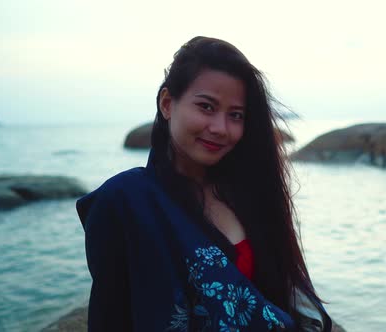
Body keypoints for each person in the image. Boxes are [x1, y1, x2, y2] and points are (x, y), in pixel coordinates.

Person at [76, 36, 331, 331]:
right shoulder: (125, 201)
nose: (220, 128)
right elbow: (109, 319)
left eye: (235, 115)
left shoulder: (250, 194)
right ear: (167, 103)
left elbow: (280, 300)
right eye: (206, 107)